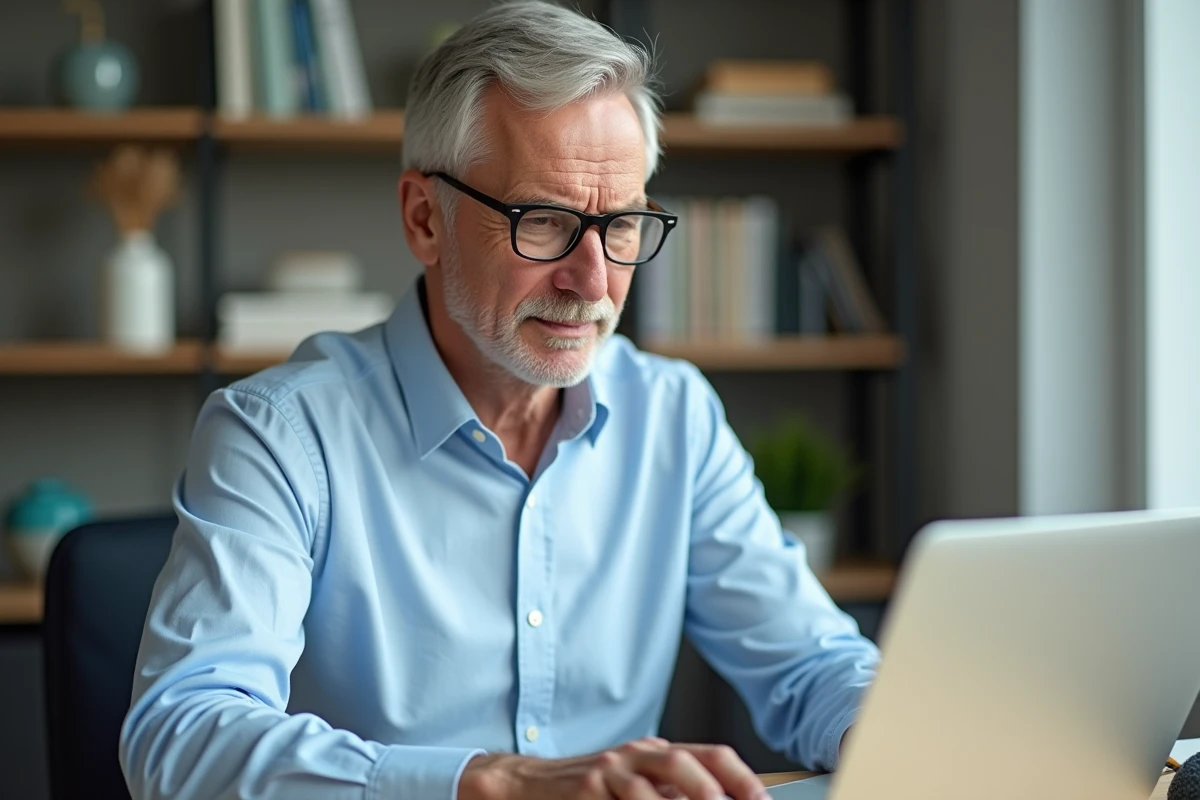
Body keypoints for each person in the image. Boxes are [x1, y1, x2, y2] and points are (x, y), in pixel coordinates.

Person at [119, 2, 880, 798]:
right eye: (544, 222)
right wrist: (496, 785)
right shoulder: (279, 435)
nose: (592, 282)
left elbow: (810, 661)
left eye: (621, 226)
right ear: (425, 218)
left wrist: (892, 727)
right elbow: (182, 737)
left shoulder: (673, 417)